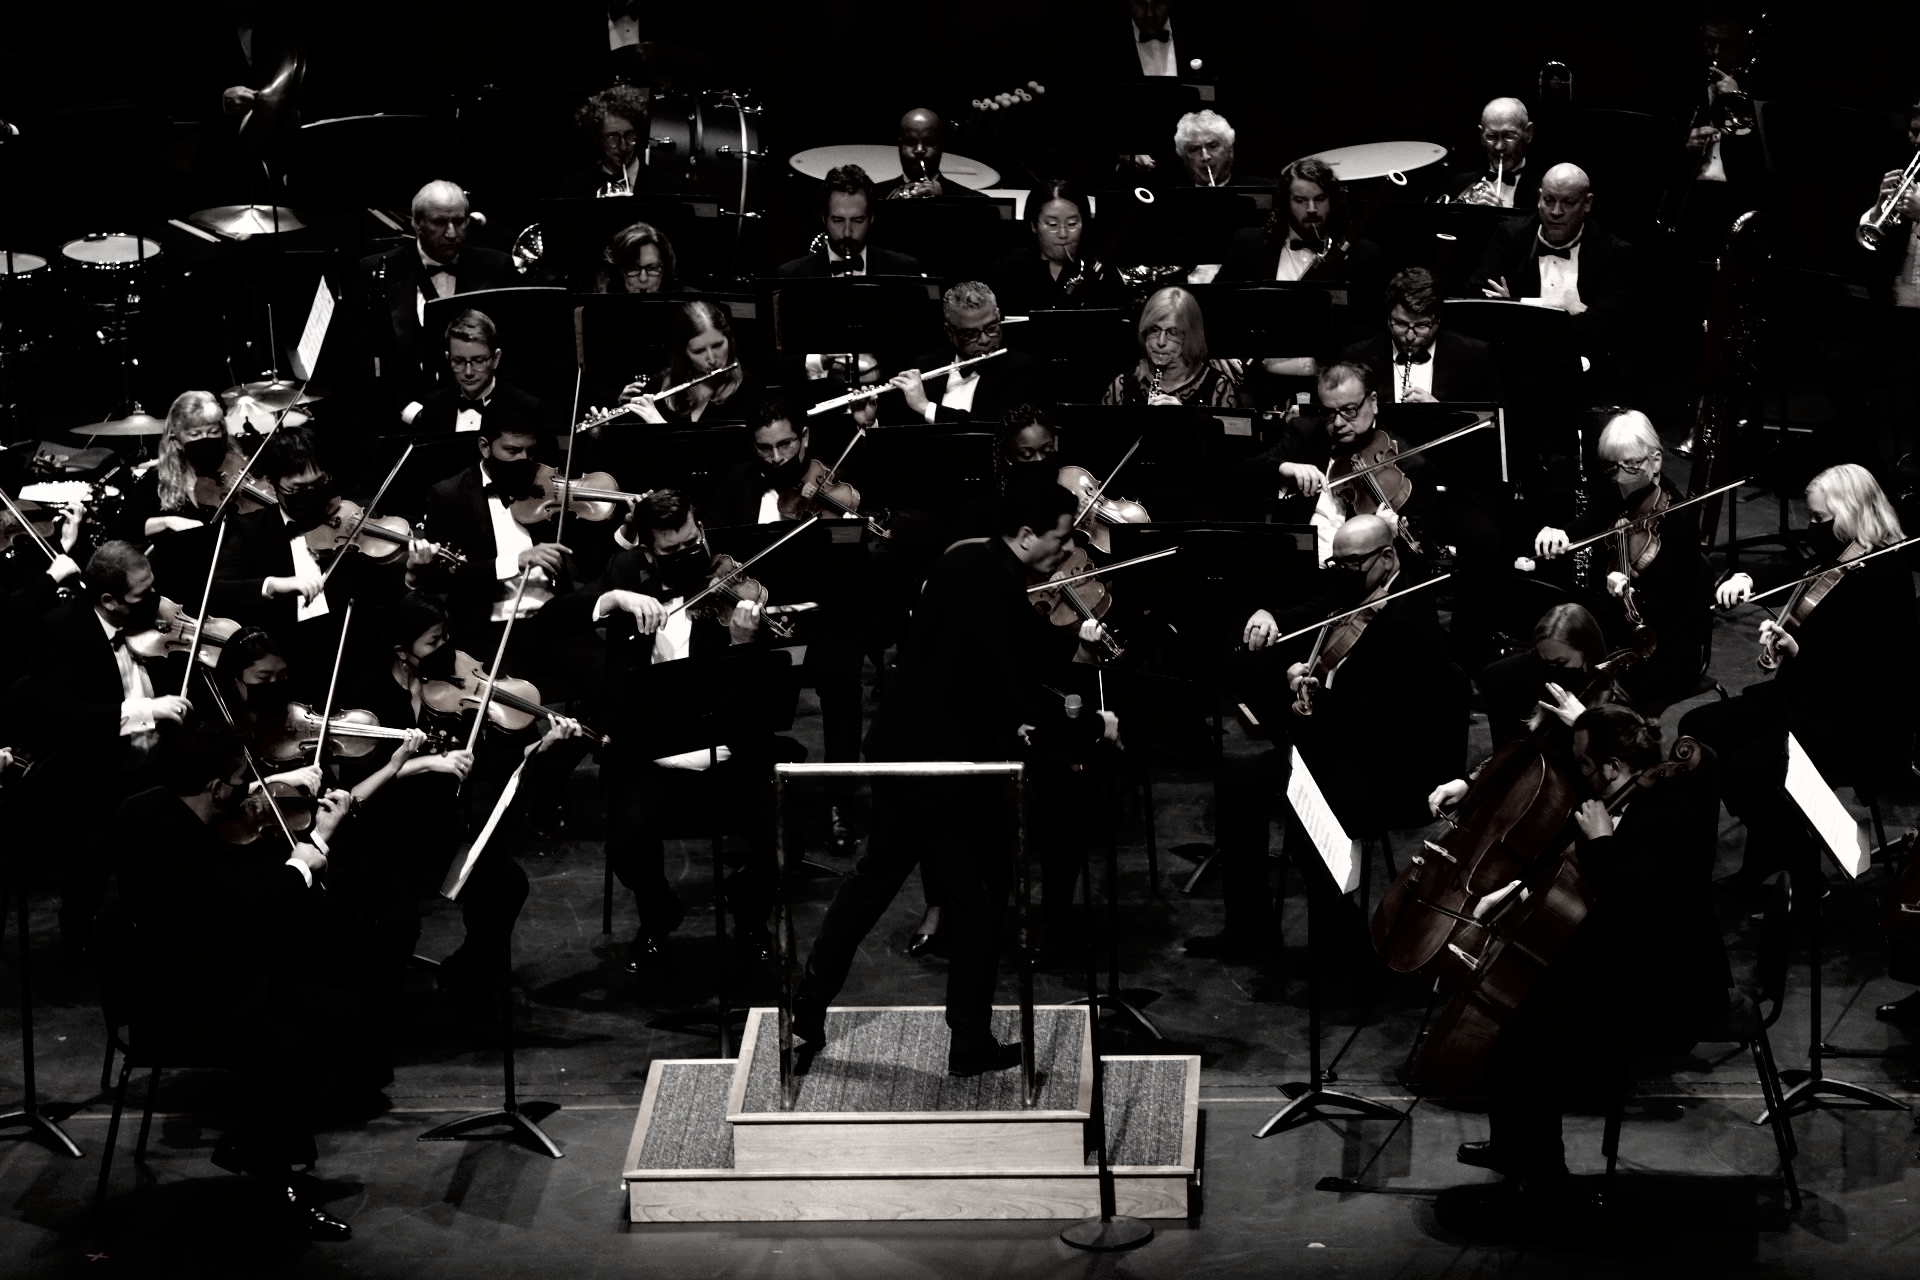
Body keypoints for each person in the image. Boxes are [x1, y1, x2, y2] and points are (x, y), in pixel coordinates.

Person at [790, 479, 1118, 1074]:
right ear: (1024, 536)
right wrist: (1093, 724)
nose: (1068, 553)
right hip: (943, 770)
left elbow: (980, 666)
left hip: (899, 749)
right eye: (1060, 539)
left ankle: (809, 1004)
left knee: (875, 877)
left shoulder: (966, 556)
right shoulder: (996, 590)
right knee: (978, 904)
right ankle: (968, 1042)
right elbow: (1019, 692)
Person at [1458, 705, 1729, 1198]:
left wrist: (1602, 841)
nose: (1581, 773)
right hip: (1627, 961)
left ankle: (1545, 1179)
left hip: (1665, 989)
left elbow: (1629, 902)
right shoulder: (1623, 795)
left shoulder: (1668, 815)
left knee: (1533, 1042)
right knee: (1508, 1016)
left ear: (1610, 766)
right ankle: (1512, 1146)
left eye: (1586, 764)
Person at [105, 723, 360, 1240]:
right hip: (180, 1001)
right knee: (280, 1045)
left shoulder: (150, 805)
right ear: (216, 788)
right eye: (244, 781)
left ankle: (257, 1142)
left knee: (340, 1014)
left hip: (218, 974)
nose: (252, 791)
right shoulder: (173, 844)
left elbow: (235, 890)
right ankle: (283, 1183)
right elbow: (248, 908)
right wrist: (305, 859)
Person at [1189, 513, 1462, 964]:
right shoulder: (1358, 587)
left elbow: (1372, 720)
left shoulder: (1407, 622)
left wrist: (1311, 699)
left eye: (1351, 564)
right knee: (1237, 782)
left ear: (1387, 557)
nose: (1342, 573)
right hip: (1347, 745)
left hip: (1394, 766)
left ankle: (1345, 954)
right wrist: (1272, 616)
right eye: (1336, 565)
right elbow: (1318, 610)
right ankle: (1250, 932)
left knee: (1306, 823)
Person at [546, 490, 789, 969]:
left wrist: (744, 643)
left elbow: (760, 687)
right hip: (652, 757)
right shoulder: (623, 574)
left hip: (728, 752)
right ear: (648, 549)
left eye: (693, 542)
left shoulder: (730, 583)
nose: (689, 556)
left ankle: (747, 910)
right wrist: (611, 599)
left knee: (786, 829)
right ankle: (658, 914)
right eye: (672, 552)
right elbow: (551, 623)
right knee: (625, 846)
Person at [1681, 464, 1917, 895]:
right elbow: (1798, 566)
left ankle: (1806, 873)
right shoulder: (1842, 556)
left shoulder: (1885, 578)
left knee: (1745, 774)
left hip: (1851, 718)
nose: (1810, 529)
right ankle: (1755, 855)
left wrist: (1797, 649)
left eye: (1818, 520)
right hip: (1807, 695)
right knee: (1699, 729)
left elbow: (1853, 670)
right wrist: (1747, 577)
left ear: (1849, 515)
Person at [18, 541, 192, 957]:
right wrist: (148, 710)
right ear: (109, 600)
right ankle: (82, 944)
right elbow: (66, 716)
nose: (155, 600)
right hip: (97, 778)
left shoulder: (155, 618)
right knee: (91, 860)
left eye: (153, 588)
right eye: (142, 595)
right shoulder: (59, 630)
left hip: (160, 768)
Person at [210, 426, 424, 686]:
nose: (311, 496)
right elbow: (219, 591)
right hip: (288, 668)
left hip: (360, 661)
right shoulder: (250, 530)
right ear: (272, 483)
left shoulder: (350, 520)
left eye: (319, 484)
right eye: (297, 489)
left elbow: (384, 596)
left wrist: (412, 574)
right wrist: (276, 584)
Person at [1530, 410, 1711, 709]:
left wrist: (1625, 594)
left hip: (1661, 651)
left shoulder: (1678, 521)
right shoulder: (1621, 490)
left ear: (1656, 460)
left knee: (1579, 697)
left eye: (1631, 465)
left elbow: (1655, 609)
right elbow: (1590, 520)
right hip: (1620, 637)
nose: (1621, 477)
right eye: (1612, 467)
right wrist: (1560, 534)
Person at [1471, 164, 1644, 397]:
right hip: (1517, 371)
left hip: (1590, 374)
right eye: (1549, 200)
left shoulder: (1616, 253)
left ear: (1587, 203)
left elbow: (1601, 329)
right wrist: (1563, 310)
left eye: (1568, 203)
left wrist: (1515, 309)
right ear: (1539, 198)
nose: (1555, 211)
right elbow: (1477, 305)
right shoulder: (1509, 235)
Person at [357, 181, 514, 403]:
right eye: (439, 222)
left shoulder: (497, 268)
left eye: (459, 222)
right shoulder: (375, 272)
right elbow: (364, 360)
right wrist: (410, 411)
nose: (451, 233)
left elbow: (513, 352)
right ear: (417, 223)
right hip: (405, 408)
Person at [1464, 603, 1627, 752]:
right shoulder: (1545, 683)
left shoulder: (1616, 706)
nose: (1553, 672)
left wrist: (1582, 722)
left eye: (1561, 662)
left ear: (1588, 654)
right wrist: (1468, 779)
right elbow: (1518, 746)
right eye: (1545, 662)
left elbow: (1618, 762)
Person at [884, 282, 1047, 425]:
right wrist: (869, 423)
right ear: (949, 332)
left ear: (998, 315)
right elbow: (898, 434)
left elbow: (993, 425)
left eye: (991, 328)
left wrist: (925, 407)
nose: (984, 340)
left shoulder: (1024, 369)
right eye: (970, 334)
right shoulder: (923, 367)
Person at [1341, 268, 1503, 404]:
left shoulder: (1474, 357)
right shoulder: (1357, 357)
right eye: (1401, 324)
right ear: (1388, 317)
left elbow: (1495, 424)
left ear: (1438, 320)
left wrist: (1443, 414)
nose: (1410, 336)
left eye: (1421, 326)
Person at [983, 179, 1124, 312]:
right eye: (1052, 224)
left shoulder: (1104, 273)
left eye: (1072, 224)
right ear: (1033, 225)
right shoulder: (1002, 275)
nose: (1063, 234)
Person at [614, 300, 764, 425]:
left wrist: (659, 426)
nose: (711, 359)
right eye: (698, 351)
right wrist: (604, 432)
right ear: (683, 353)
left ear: (729, 340)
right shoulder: (659, 385)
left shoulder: (750, 389)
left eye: (718, 345)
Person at [404, 309, 546, 437]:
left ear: (496, 359)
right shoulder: (434, 406)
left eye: (478, 361)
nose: (468, 372)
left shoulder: (526, 408)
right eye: (459, 361)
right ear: (448, 358)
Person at [1101, 286, 1244, 408]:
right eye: (1154, 330)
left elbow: (1232, 440)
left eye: (1172, 333)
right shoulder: (1122, 386)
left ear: (1190, 336)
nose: (1161, 342)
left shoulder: (1219, 388)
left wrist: (1185, 423)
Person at [776, 165, 923, 278]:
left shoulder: (904, 271)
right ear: (824, 219)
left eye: (857, 220)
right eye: (838, 220)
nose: (847, 232)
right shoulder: (793, 275)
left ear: (871, 219)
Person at [1440, 98, 1542, 209]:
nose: (1499, 147)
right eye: (1491, 137)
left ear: (1528, 133)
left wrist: (1498, 218)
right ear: (1481, 136)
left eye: (1509, 136)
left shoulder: (1542, 190)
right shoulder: (1459, 183)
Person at [559, 84, 654, 199]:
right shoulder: (572, 188)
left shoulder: (669, 187)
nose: (623, 147)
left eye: (629, 135)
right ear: (596, 138)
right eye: (613, 137)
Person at [875, 108, 987, 201]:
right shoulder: (873, 196)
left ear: (941, 146)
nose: (919, 150)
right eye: (911, 142)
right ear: (899, 146)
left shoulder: (974, 201)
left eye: (929, 142)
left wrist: (943, 203)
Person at [596, 220, 683, 295]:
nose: (643, 278)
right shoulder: (596, 307)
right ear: (619, 271)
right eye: (633, 268)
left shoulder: (691, 306)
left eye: (652, 268)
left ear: (665, 270)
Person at [1172, 110, 1239, 188]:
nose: (1205, 157)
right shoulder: (1171, 197)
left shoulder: (1255, 191)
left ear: (1229, 151)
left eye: (1212, 146)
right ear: (1185, 159)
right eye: (1195, 149)